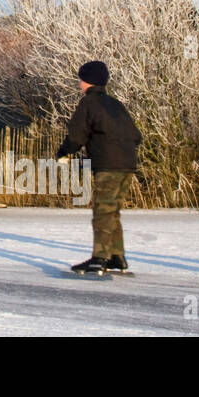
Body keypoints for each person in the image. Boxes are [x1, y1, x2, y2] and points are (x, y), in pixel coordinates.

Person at [55, 61, 142, 275]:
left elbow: (77, 134)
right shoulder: (116, 104)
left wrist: (64, 152)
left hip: (108, 165)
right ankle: (116, 256)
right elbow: (136, 136)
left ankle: (100, 258)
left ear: (87, 82)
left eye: (80, 79)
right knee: (112, 210)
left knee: (103, 210)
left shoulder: (88, 104)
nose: (79, 83)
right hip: (128, 164)